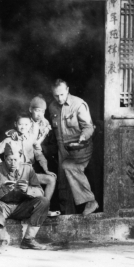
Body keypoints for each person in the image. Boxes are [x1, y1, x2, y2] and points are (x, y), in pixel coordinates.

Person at [0, 143, 51, 253]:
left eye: (16, 159)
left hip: (22, 207)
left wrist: (27, 189)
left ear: (21, 158)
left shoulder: (28, 169)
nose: (13, 163)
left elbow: (40, 191)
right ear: (4, 158)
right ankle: (2, 241)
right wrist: (2, 190)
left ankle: (28, 240)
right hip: (3, 207)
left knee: (44, 201)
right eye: (10, 160)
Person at [47, 79, 99, 215]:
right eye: (56, 95)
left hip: (80, 148)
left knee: (70, 168)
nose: (59, 98)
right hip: (62, 149)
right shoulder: (52, 106)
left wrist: (82, 138)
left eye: (62, 94)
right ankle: (67, 216)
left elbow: (88, 127)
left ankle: (90, 201)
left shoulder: (78, 104)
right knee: (63, 185)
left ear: (68, 90)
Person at [0, 113, 59, 212]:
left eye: (26, 124)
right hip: (15, 174)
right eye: (20, 124)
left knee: (51, 179)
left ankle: (44, 209)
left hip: (29, 173)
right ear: (15, 124)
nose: (23, 127)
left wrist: (46, 170)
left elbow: (39, 155)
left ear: (30, 125)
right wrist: (4, 167)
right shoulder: (9, 140)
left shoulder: (32, 140)